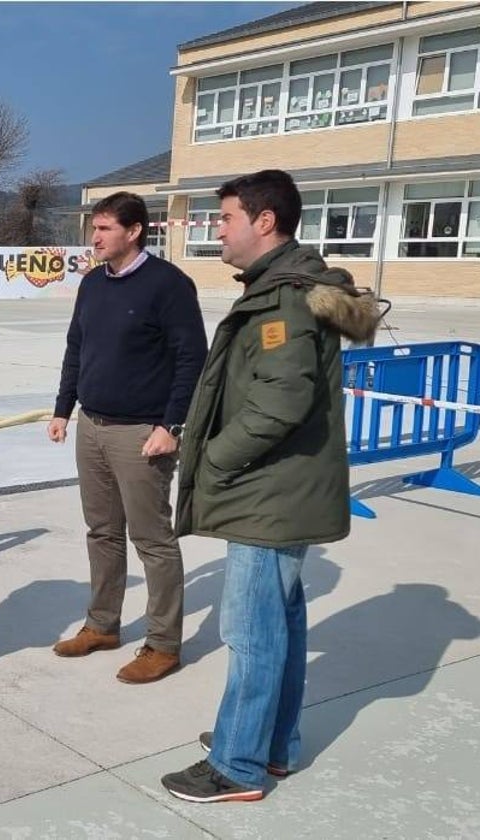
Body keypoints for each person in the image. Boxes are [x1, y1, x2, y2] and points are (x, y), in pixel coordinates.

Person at [160, 170, 379, 803]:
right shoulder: (290, 287)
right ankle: (270, 744)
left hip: (269, 494)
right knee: (280, 623)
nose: (217, 230)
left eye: (225, 218)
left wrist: (216, 461)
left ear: (264, 221)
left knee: (252, 631)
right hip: (285, 490)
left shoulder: (284, 298)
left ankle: (237, 765)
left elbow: (280, 404)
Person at [48, 191, 208, 684]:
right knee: (102, 532)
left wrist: (171, 426)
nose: (94, 237)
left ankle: (163, 644)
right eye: (93, 229)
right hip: (92, 427)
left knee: (152, 539)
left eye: (104, 229)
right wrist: (63, 409)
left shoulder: (169, 286)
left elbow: (191, 360)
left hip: (142, 434)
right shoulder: (93, 284)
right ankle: (102, 624)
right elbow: (77, 349)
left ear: (134, 231)